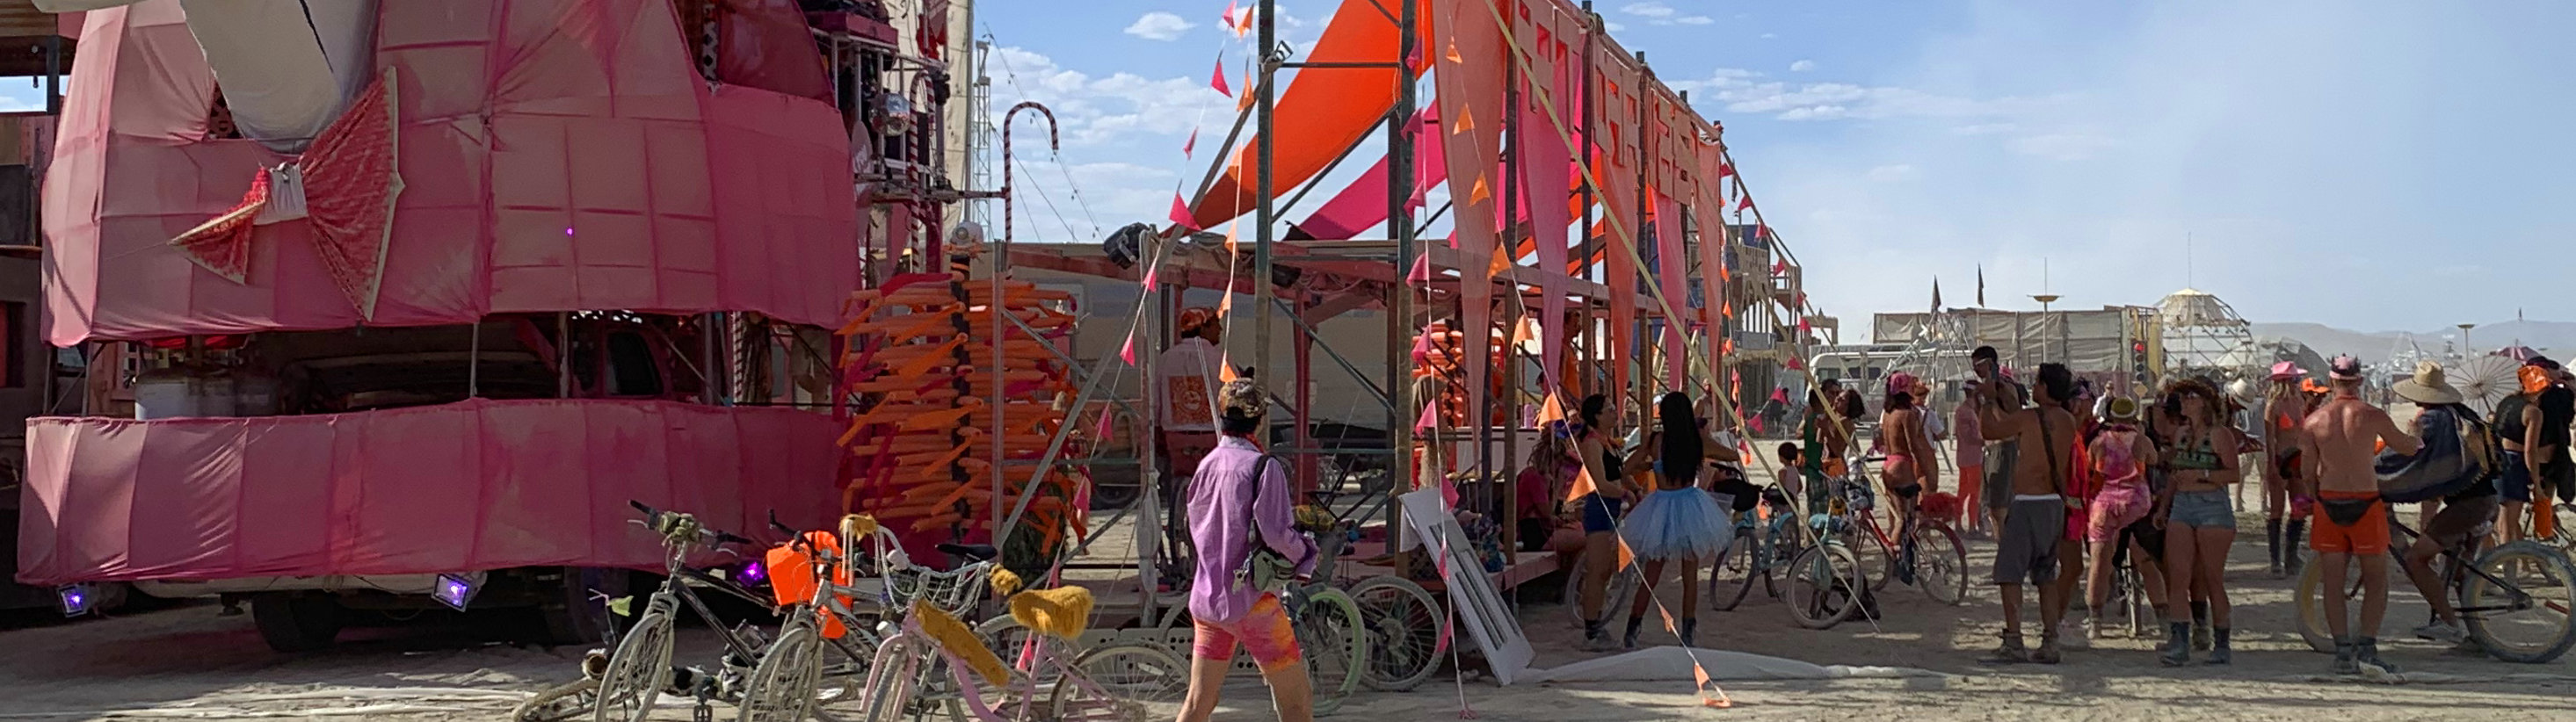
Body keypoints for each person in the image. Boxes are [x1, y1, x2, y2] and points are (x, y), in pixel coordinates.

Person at [1179, 376, 1318, 722]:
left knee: (1198, 703)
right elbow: (1276, 533)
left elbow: (1194, 525)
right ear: (1259, 420)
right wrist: (1305, 553)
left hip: (1208, 601)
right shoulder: (1263, 467)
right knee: (1297, 702)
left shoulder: (1207, 464)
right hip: (1253, 604)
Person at [2300, 355, 2421, 675]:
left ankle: (2342, 653)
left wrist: (2316, 496)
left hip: (2329, 502)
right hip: (2365, 502)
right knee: (2376, 581)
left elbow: (2307, 473)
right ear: (2360, 381)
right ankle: (2367, 648)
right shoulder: (2372, 415)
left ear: (2332, 382)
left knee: (2333, 584)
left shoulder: (2314, 421)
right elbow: (2407, 447)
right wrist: (2416, 434)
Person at [1611, 392, 1742, 648]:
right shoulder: (1696, 440)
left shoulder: (1655, 441)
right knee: (1689, 574)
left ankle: (1632, 628)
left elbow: (1625, 468)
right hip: (1691, 504)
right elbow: (1733, 456)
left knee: (1651, 574)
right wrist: (1707, 444)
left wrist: (1650, 467)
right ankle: (1688, 630)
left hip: (1660, 505)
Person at [2384, 362, 2499, 647]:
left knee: (2416, 560)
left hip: (2468, 506)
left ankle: (2449, 624)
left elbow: (2408, 456)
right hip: (2486, 501)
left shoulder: (2433, 421)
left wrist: (2373, 471)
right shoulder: (2459, 414)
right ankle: (2478, 638)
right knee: (2460, 572)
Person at [1977, 363, 2079, 664]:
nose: (2033, 387)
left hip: (2028, 503)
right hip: (2053, 503)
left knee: (2009, 574)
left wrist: (1988, 401)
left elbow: (1991, 430)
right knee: (2046, 576)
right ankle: (2050, 640)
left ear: (2046, 387)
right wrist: (2007, 402)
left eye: (2037, 383)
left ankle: (2014, 640)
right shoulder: (2067, 420)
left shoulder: (2032, 417)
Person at [2153, 377, 2244, 666]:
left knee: (2212, 577)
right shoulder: (2181, 433)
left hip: (2212, 506)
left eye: (2190, 396)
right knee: (2178, 576)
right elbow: (2176, 472)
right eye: (2182, 397)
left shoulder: (2220, 435)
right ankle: (2180, 641)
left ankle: (2222, 643)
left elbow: (2233, 474)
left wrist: (2202, 476)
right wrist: (2164, 506)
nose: (2184, 401)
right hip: (2182, 503)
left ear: (2204, 402)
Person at [2083, 396, 2157, 639]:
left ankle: (2095, 622)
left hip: (2105, 505)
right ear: (2134, 418)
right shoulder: (2141, 440)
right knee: (2146, 560)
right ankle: (2164, 617)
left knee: (2099, 563)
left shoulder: (2099, 442)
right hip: (2136, 503)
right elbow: (2154, 460)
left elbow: (2090, 468)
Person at [1568, 393, 1636, 651]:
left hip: (1614, 508)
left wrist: (1635, 488)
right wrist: (1624, 493)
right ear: (1597, 416)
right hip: (1600, 509)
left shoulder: (1609, 443)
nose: (1613, 413)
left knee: (1606, 570)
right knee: (1596, 572)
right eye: (1608, 409)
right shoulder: (1592, 444)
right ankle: (1590, 631)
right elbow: (1599, 482)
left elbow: (1620, 473)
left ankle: (1597, 621)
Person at [2496, 360, 2573, 544]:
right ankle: (2519, 554)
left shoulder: (2507, 402)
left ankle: (2522, 556)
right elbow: (2530, 451)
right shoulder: (2534, 411)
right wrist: (2537, 485)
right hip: (2523, 464)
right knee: (2515, 521)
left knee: (2505, 520)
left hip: (2500, 460)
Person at [2261, 363, 2314, 579]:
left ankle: (2291, 557)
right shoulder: (2273, 406)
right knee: (2276, 509)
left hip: (2297, 459)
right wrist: (2271, 466)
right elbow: (2270, 439)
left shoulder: (2299, 401)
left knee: (2300, 507)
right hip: (2280, 458)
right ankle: (2276, 561)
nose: (2297, 383)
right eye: (2294, 380)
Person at [1970, 347, 2030, 537]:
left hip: (2003, 447)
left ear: (1989, 363)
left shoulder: (2003, 387)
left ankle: (2007, 547)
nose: (1976, 370)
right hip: (1990, 449)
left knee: (2000, 507)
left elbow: (2013, 418)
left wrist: (1992, 398)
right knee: (1992, 507)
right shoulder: (1984, 387)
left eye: (1978, 365)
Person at [1880, 372, 1934, 532]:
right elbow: (1914, 446)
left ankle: (1897, 545)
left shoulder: (1888, 414)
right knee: (1905, 519)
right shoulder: (1906, 414)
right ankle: (1897, 548)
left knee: (1899, 516)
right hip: (1901, 465)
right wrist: (1927, 471)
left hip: (1888, 463)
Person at [1954, 379, 1989, 535]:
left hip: (1967, 456)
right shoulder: (1965, 412)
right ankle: (1970, 526)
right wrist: (1986, 440)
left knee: (1965, 492)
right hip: (1971, 457)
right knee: (1972, 493)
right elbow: (1969, 436)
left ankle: (1962, 523)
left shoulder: (1967, 410)